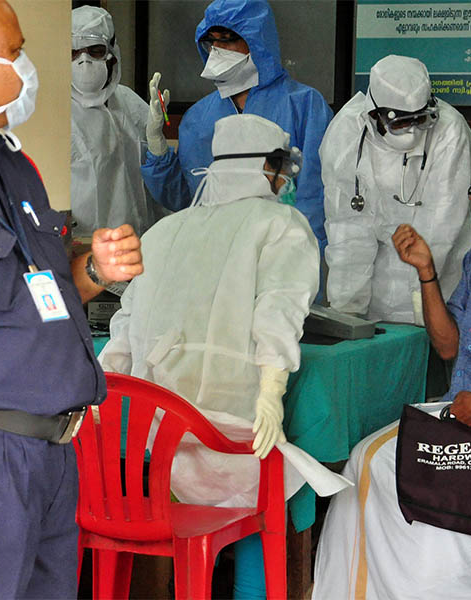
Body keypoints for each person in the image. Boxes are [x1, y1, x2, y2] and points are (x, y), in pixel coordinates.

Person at [0, 0, 143, 597]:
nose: (27, 67)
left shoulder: (13, 164)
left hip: (54, 457)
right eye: (14, 53)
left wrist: (93, 269)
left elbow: (36, 291)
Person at [312, 156, 471, 599]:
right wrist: (426, 272)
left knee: (428, 476)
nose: (467, 200)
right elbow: (448, 345)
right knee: (364, 459)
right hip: (464, 410)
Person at [101, 113, 320, 599]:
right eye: (282, 169)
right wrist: (271, 391)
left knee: (206, 508)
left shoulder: (162, 232)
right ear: (268, 169)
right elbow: (278, 313)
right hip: (226, 431)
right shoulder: (281, 223)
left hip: (154, 440)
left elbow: (120, 336)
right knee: (267, 495)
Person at [141, 0, 333, 257]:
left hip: (283, 254)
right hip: (215, 257)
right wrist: (158, 148)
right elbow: (187, 199)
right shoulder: (198, 119)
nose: (218, 50)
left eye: (228, 39)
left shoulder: (304, 106)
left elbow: (314, 197)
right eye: (212, 42)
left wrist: (302, 261)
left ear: (257, 40)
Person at [322, 54, 471, 324]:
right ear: (373, 113)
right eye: (399, 122)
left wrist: (421, 304)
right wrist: (346, 312)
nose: (411, 131)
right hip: (380, 278)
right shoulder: (346, 131)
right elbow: (347, 229)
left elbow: (441, 225)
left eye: (420, 120)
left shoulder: (449, 129)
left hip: (441, 273)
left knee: (430, 345)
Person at [70, 5, 166, 238]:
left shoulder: (129, 102)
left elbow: (160, 176)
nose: (84, 62)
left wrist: (158, 142)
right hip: (87, 247)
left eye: (95, 50)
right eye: (74, 52)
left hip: (141, 239)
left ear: (113, 51)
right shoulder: (57, 114)